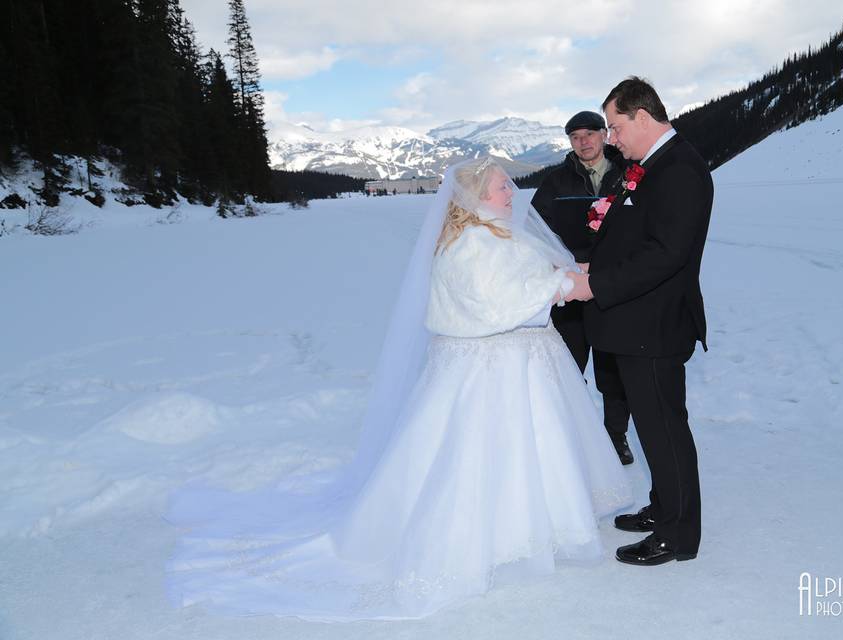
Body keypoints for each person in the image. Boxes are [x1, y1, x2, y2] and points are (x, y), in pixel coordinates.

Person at [165, 158, 633, 621]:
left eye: (508, 187)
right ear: (473, 197)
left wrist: (563, 277)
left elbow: (520, 282)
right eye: (500, 188)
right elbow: (496, 307)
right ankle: (495, 535)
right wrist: (560, 288)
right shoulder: (471, 243)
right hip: (493, 369)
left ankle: (537, 526)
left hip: (521, 363)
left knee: (530, 450)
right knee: (483, 454)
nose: (511, 194)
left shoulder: (497, 233)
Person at [565, 77, 713, 566]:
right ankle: (663, 507)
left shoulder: (679, 170)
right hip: (635, 323)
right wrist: (594, 267)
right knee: (652, 429)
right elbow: (637, 237)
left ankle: (677, 534)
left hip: (655, 325)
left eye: (615, 126)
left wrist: (597, 285)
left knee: (664, 430)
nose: (610, 137)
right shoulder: (649, 166)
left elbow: (666, 254)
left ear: (643, 117)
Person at [532, 110, 633, 465]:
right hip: (571, 288)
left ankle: (615, 436)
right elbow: (536, 231)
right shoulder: (555, 182)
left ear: (605, 135)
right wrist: (564, 262)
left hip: (613, 288)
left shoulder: (629, 175)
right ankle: (575, 436)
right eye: (576, 137)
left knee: (613, 371)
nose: (584, 142)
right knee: (569, 367)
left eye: (590, 133)